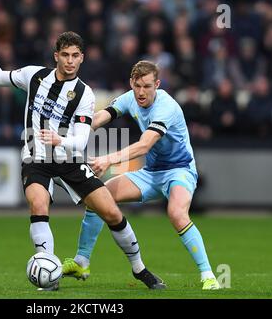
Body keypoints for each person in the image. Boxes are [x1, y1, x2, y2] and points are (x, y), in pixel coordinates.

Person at [0, 21, 165, 291]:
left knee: (111, 211)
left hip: (68, 159)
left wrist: (59, 139)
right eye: (65, 55)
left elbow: (81, 139)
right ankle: (49, 274)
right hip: (36, 157)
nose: (70, 61)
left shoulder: (85, 94)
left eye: (75, 55)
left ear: (82, 58)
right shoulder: (34, 76)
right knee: (39, 206)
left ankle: (139, 269)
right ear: (56, 56)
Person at [62, 61, 221, 290]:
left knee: (176, 214)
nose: (141, 92)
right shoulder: (130, 98)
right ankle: (81, 262)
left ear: (157, 84)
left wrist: (108, 159)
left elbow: (144, 146)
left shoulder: (166, 107)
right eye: (137, 85)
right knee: (99, 196)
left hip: (180, 171)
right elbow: (99, 119)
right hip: (151, 173)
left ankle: (208, 275)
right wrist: (73, 131)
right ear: (131, 83)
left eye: (147, 86)